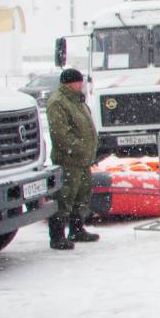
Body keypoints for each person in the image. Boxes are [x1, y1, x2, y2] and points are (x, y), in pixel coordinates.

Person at [44, 67, 99, 250]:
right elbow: (60, 134)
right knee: (64, 197)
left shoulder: (77, 100)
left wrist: (89, 150)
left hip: (82, 160)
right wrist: (81, 148)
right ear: (70, 83)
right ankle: (57, 236)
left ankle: (76, 229)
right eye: (79, 82)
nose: (81, 85)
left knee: (82, 196)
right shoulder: (58, 102)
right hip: (68, 161)